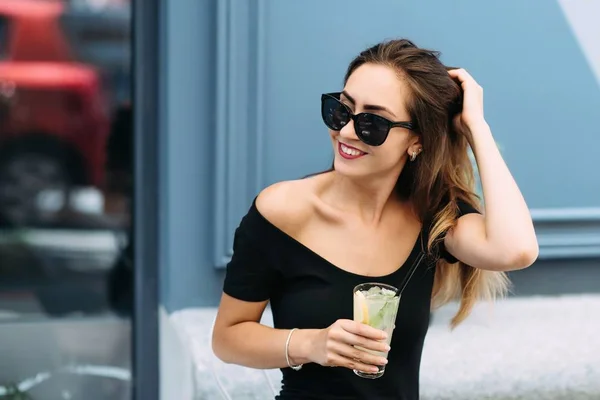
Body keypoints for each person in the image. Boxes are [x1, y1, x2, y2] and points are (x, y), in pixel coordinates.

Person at [212, 38, 538, 400]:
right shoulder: (283, 211)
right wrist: (312, 343)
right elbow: (227, 338)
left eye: (373, 123)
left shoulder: (432, 218)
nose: (347, 132)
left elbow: (517, 250)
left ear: (417, 141)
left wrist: (476, 128)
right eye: (341, 110)